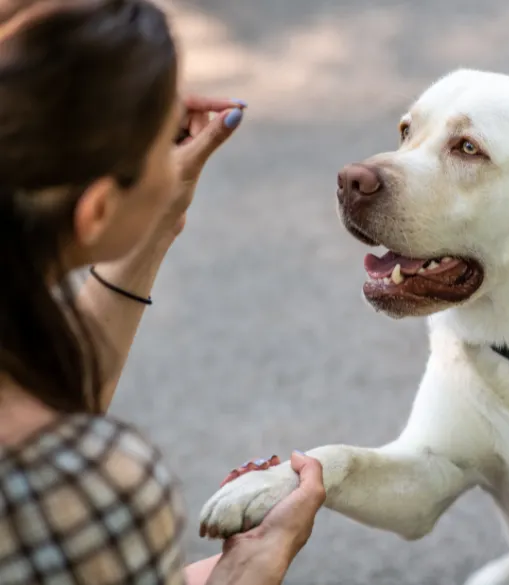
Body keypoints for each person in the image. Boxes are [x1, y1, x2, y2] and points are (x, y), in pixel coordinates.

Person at [0, 0, 325, 583]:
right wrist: (245, 573)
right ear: (97, 208)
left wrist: (153, 227)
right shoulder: (86, 489)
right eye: (157, 143)